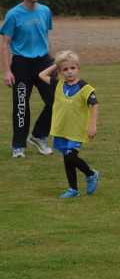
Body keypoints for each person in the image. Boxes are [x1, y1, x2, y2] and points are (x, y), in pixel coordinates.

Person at [2, 0, 55, 158]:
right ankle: (18, 146)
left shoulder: (45, 11)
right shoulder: (13, 14)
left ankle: (38, 136)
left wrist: (54, 61)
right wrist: (7, 70)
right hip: (21, 64)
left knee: (56, 101)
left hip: (43, 64)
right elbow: (5, 44)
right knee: (21, 106)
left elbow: (45, 37)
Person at [37, 50, 99, 199]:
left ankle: (91, 174)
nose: (69, 72)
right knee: (67, 159)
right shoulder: (58, 84)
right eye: (65, 69)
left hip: (77, 130)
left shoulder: (83, 86)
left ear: (78, 68)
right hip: (62, 129)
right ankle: (73, 189)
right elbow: (41, 75)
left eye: (72, 68)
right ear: (59, 71)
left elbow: (95, 104)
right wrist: (57, 63)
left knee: (71, 157)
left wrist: (93, 125)